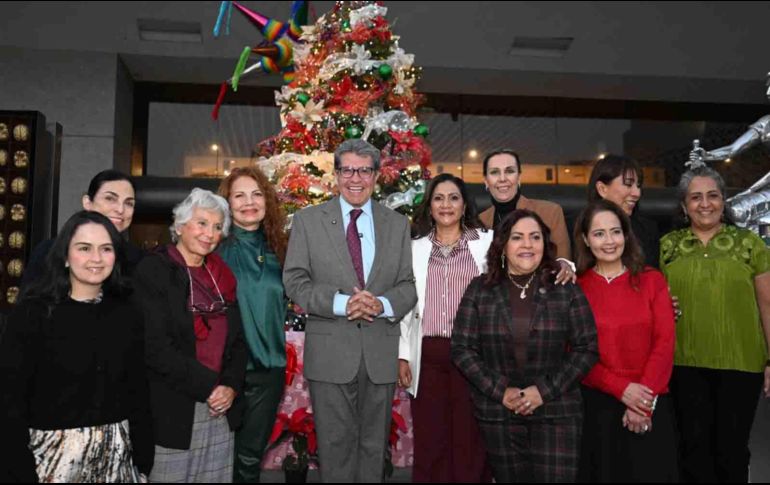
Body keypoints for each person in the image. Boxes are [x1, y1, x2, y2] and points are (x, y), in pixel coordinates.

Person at [283, 139, 417, 483]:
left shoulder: (398, 225)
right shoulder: (309, 221)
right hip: (330, 353)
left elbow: (407, 287)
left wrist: (381, 304)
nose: (355, 178)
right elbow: (295, 281)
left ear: (376, 176)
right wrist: (343, 304)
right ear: (336, 174)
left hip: (379, 354)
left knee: (374, 449)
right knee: (335, 448)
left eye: (364, 170)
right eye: (347, 170)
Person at [0, 211, 153, 482]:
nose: (96, 258)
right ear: (66, 257)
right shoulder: (32, 313)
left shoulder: (127, 313)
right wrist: (19, 470)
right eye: (84, 248)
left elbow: (138, 391)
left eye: (106, 249)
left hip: (117, 460)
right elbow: (9, 401)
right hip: (47, 462)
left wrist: (142, 463)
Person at [451, 209, 598, 483]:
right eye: (518, 237)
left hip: (557, 412)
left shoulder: (565, 288)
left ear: (545, 244)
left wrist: (542, 392)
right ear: (503, 244)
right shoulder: (480, 289)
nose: (528, 245)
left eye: (535, 237)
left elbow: (586, 348)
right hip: (499, 414)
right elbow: (462, 349)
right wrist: (501, 392)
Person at [661, 165, 770, 483]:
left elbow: (767, 303)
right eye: (695, 197)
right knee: (691, 452)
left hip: (741, 363)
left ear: (725, 201)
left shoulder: (751, 244)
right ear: (683, 206)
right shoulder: (667, 245)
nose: (704, 203)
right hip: (684, 364)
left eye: (713, 195)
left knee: (732, 452)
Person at [133, 188, 247, 483]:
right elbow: (156, 347)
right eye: (201, 223)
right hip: (172, 409)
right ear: (180, 225)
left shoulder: (222, 275)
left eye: (217, 226)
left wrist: (230, 388)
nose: (210, 233)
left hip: (221, 410)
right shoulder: (154, 270)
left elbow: (237, 341)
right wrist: (210, 386)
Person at [574, 199, 677, 482]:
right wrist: (621, 389)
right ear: (585, 239)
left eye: (615, 231)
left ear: (626, 235)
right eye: (599, 233)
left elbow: (665, 342)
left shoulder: (652, 280)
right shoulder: (576, 289)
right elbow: (574, 353)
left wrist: (641, 402)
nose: (609, 241)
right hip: (599, 409)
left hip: (651, 403)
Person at [397, 173, 491, 483]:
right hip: (428, 355)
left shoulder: (488, 243)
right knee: (431, 437)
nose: (446, 204)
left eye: (453, 198)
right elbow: (406, 310)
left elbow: (525, 259)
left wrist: (565, 265)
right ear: (430, 205)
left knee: (469, 438)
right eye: (439, 198)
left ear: (464, 205)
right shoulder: (414, 249)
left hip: (474, 355)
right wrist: (402, 356)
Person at [217, 167, 289, 483]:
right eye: (239, 195)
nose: (249, 202)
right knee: (214, 458)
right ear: (227, 203)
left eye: (257, 194)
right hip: (220, 373)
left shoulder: (284, 250)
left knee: (249, 460)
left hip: (268, 371)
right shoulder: (212, 247)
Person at [21, 169, 142, 290]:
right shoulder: (47, 251)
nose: (120, 210)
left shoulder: (140, 261)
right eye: (110, 199)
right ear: (87, 202)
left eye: (129, 203)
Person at [478, 149, 572, 261]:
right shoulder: (479, 222)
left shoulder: (550, 212)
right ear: (486, 180)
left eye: (509, 171)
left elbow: (563, 262)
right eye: (494, 172)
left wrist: (564, 264)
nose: (502, 179)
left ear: (519, 177)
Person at [587, 154, 661, 268]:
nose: (637, 193)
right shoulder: (576, 227)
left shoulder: (648, 230)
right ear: (602, 189)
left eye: (638, 185)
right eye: (628, 184)